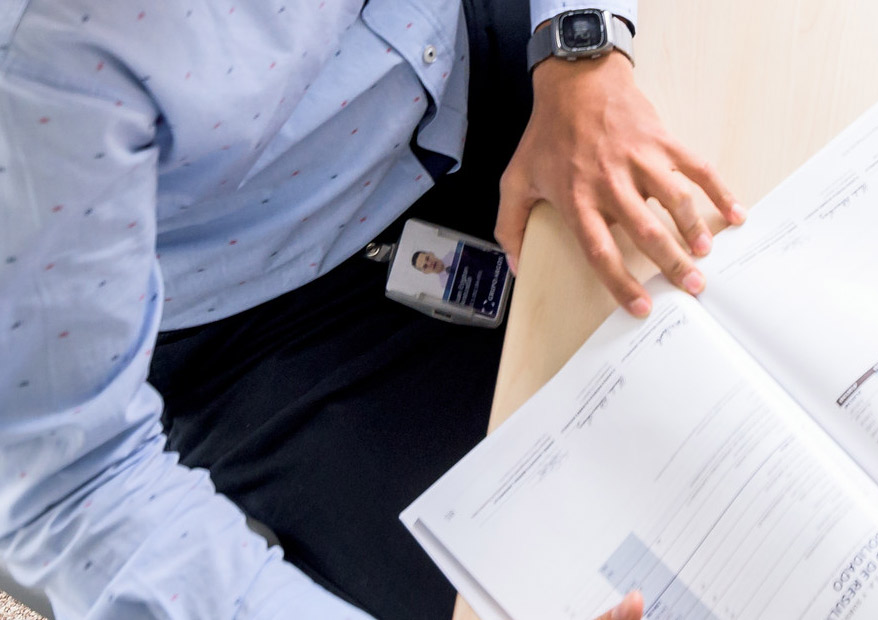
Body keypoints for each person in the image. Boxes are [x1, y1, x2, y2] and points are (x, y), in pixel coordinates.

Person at [0, 0, 736, 617]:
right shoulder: (32, 57)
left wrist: (582, 45)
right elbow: (73, 487)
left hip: (501, 68)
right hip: (270, 317)